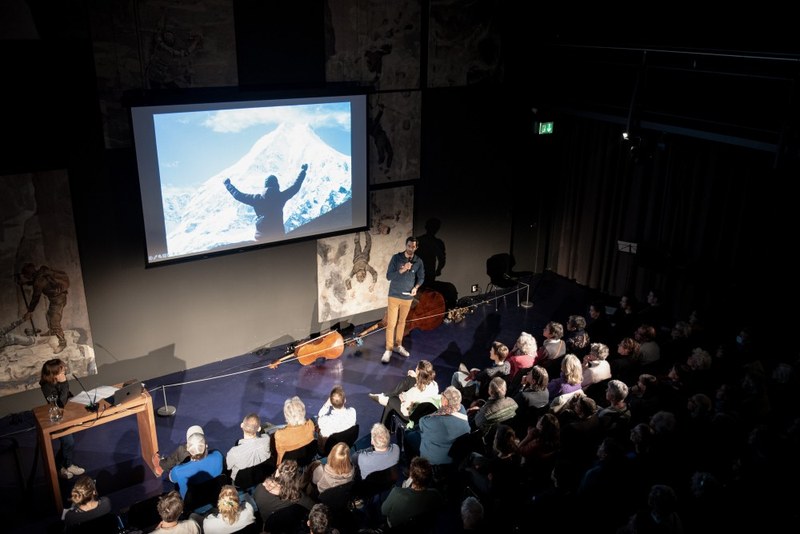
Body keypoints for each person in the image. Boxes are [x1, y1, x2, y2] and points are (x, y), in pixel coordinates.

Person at [223, 163, 308, 241]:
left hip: (261, 238)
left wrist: (228, 184)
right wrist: (303, 171)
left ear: (265, 186)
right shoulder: (281, 197)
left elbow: (238, 195)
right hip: (278, 236)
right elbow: (296, 186)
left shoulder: (256, 199)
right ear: (277, 185)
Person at [39, 359, 85, 479]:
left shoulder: (59, 380)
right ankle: (61, 467)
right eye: (61, 370)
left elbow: (68, 397)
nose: (64, 371)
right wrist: (64, 383)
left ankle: (66, 465)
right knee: (68, 442)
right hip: (57, 416)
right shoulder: (46, 386)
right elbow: (59, 404)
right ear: (53, 374)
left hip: (67, 414)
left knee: (68, 443)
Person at [382, 236, 425, 363]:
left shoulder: (418, 261)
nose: (411, 248)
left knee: (402, 322)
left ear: (416, 247)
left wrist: (416, 287)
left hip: (407, 297)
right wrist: (403, 269)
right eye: (409, 246)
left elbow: (421, 277)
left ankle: (398, 345)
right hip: (394, 296)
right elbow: (389, 276)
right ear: (405, 246)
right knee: (391, 324)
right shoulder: (396, 258)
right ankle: (388, 350)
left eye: (413, 246)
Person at [18, 263, 69, 353]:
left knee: (54, 322)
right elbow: (37, 281)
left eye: (26, 276)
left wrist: (30, 311)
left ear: (29, 274)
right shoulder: (42, 272)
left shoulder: (38, 282)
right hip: (57, 298)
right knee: (49, 315)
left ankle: (62, 343)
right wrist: (25, 283)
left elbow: (35, 298)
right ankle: (52, 332)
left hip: (58, 300)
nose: (26, 277)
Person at [381, 456, 443, 530]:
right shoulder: (436, 494)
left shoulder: (397, 492)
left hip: (395, 527)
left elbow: (383, 511)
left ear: (411, 476)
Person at [169, 432, 224, 499]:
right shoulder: (218, 456)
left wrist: (179, 464)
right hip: (215, 498)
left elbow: (171, 478)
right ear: (206, 445)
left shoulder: (178, 471)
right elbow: (213, 452)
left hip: (192, 506)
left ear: (187, 449)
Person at [226, 413, 271, 483]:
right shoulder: (266, 440)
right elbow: (264, 434)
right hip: (261, 479)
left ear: (242, 425)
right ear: (258, 429)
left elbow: (228, 467)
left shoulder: (233, 452)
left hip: (241, 484)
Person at [273, 396, 316, 465]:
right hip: (306, 461)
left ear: (286, 415)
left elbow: (280, 455)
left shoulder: (280, 434)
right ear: (303, 412)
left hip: (289, 467)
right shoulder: (310, 425)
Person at [316, 385, 357, 452]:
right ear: (345, 400)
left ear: (331, 403)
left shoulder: (325, 420)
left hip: (332, 450)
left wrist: (326, 405)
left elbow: (319, 416)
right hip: (348, 444)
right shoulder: (352, 412)